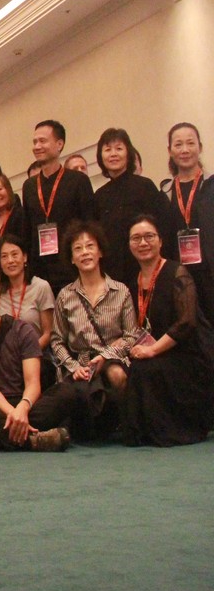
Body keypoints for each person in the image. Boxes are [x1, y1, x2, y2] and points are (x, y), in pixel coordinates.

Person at [0, 274, 77, 451]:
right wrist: (13, 415)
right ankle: (33, 441)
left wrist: (22, 410)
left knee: (67, 391)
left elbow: (33, 384)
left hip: (25, 402)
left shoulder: (22, 330)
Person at [122, 215, 214, 446]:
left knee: (146, 368)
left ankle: (172, 431)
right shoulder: (132, 283)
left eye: (149, 236)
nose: (143, 243)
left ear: (161, 241)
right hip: (155, 352)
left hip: (187, 354)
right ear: (129, 245)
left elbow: (187, 323)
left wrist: (152, 350)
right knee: (134, 367)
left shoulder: (177, 272)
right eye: (136, 238)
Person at [50, 221, 136, 439]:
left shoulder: (121, 291)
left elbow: (131, 336)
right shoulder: (65, 296)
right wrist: (73, 367)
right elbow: (57, 341)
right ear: (72, 258)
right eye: (78, 248)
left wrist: (106, 356)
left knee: (117, 374)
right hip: (81, 363)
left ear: (100, 252)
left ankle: (128, 426)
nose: (85, 252)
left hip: (112, 359)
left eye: (90, 246)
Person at [21, 120, 96, 294]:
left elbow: (90, 225)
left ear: (59, 144)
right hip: (40, 273)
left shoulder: (78, 181)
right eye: (34, 142)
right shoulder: (29, 186)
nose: (37, 146)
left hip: (72, 269)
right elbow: (27, 230)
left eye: (42, 141)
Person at [94, 128, 173, 291]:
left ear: (128, 153)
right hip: (112, 275)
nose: (113, 154)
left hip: (145, 269)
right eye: (107, 149)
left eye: (119, 148)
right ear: (101, 157)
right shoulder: (99, 195)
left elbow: (163, 227)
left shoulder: (145, 186)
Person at [160, 122, 214, 318]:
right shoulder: (165, 193)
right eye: (178, 144)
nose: (185, 150)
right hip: (180, 277)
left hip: (210, 273)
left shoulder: (211, 185)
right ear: (170, 151)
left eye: (190, 143)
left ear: (200, 147)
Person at [0, 235, 56, 390]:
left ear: (25, 257)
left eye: (14, 254)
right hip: (6, 358)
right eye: (4, 256)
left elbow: (48, 333)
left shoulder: (41, 287)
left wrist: (27, 353)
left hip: (38, 355)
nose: (10, 260)